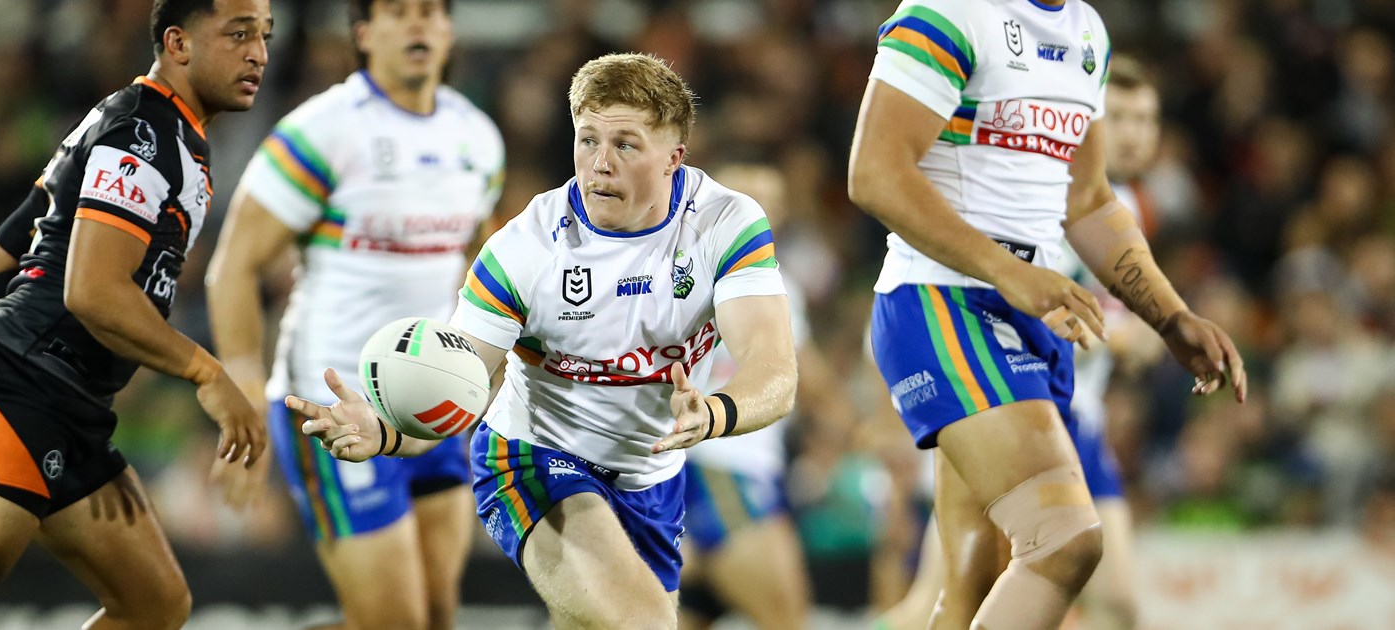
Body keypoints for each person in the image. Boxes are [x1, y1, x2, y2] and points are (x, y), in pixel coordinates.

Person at [292, 52, 799, 628]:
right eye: (588, 141)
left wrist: (715, 413)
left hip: (654, 479)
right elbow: (457, 388)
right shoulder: (524, 251)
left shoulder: (724, 223)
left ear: (673, 158)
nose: (600, 164)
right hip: (534, 459)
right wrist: (385, 431)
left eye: (625, 145)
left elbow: (773, 368)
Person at [0, 1, 273, 627]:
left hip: (66, 405)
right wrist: (205, 372)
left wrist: (65, 351)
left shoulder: (147, 127)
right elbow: (92, 291)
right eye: (239, 33)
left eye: (266, 36)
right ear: (178, 43)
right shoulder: (143, 131)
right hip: (16, 392)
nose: (259, 54)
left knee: (153, 605)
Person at [850, 1, 1245, 628]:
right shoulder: (951, 12)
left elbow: (1087, 202)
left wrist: (1170, 317)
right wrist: (1008, 271)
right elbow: (874, 173)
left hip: (1031, 315)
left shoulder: (1087, 30)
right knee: (1065, 543)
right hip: (942, 302)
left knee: (971, 584)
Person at [203, 1, 503, 628]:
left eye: (431, 12)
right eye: (399, 12)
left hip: (437, 402)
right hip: (333, 400)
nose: (418, 24)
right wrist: (245, 395)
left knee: (436, 617)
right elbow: (232, 266)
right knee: (396, 623)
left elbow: (483, 264)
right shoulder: (322, 132)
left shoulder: (478, 138)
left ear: (449, 30)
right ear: (364, 33)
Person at [875, 55, 1169, 630]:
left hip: (1076, 417)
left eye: (1146, 120)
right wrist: (1114, 336)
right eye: (1119, 117)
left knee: (1109, 601)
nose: (1133, 134)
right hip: (1006, 399)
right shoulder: (1040, 193)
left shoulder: (1124, 207)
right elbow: (1025, 301)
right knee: (961, 588)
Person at [676, 163, 840, 630]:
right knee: (787, 619)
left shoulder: (770, 281)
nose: (756, 212)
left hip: (733, 467)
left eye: (768, 204)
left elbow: (807, 377)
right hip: (725, 468)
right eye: (743, 200)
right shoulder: (691, 275)